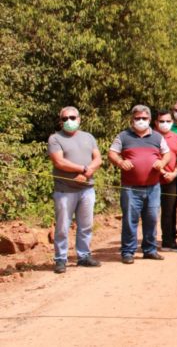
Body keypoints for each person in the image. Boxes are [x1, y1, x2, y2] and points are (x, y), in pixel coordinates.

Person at [108, 105, 171, 264]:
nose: (141, 121)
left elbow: (167, 153)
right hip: (130, 187)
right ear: (132, 119)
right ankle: (128, 252)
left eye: (144, 118)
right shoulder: (123, 136)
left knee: (151, 218)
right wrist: (120, 162)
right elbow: (112, 153)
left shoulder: (157, 137)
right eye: (137, 118)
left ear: (150, 120)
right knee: (130, 220)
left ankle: (150, 249)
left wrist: (161, 162)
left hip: (153, 187)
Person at [47, 106, 102, 273]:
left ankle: (84, 256)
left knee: (86, 225)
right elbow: (59, 162)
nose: (68, 121)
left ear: (79, 119)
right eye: (64, 119)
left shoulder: (88, 137)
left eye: (72, 117)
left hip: (87, 189)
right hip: (65, 191)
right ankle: (60, 259)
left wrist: (87, 172)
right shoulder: (55, 139)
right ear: (60, 121)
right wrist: (84, 169)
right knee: (63, 226)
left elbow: (98, 158)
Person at [154, 110, 177, 251]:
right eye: (161, 121)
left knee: (170, 210)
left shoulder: (176, 137)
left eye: (168, 121)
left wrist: (175, 172)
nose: (165, 124)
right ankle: (150, 241)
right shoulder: (150, 136)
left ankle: (169, 240)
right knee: (151, 211)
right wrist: (163, 171)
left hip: (171, 179)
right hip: (153, 179)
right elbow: (150, 157)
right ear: (156, 122)